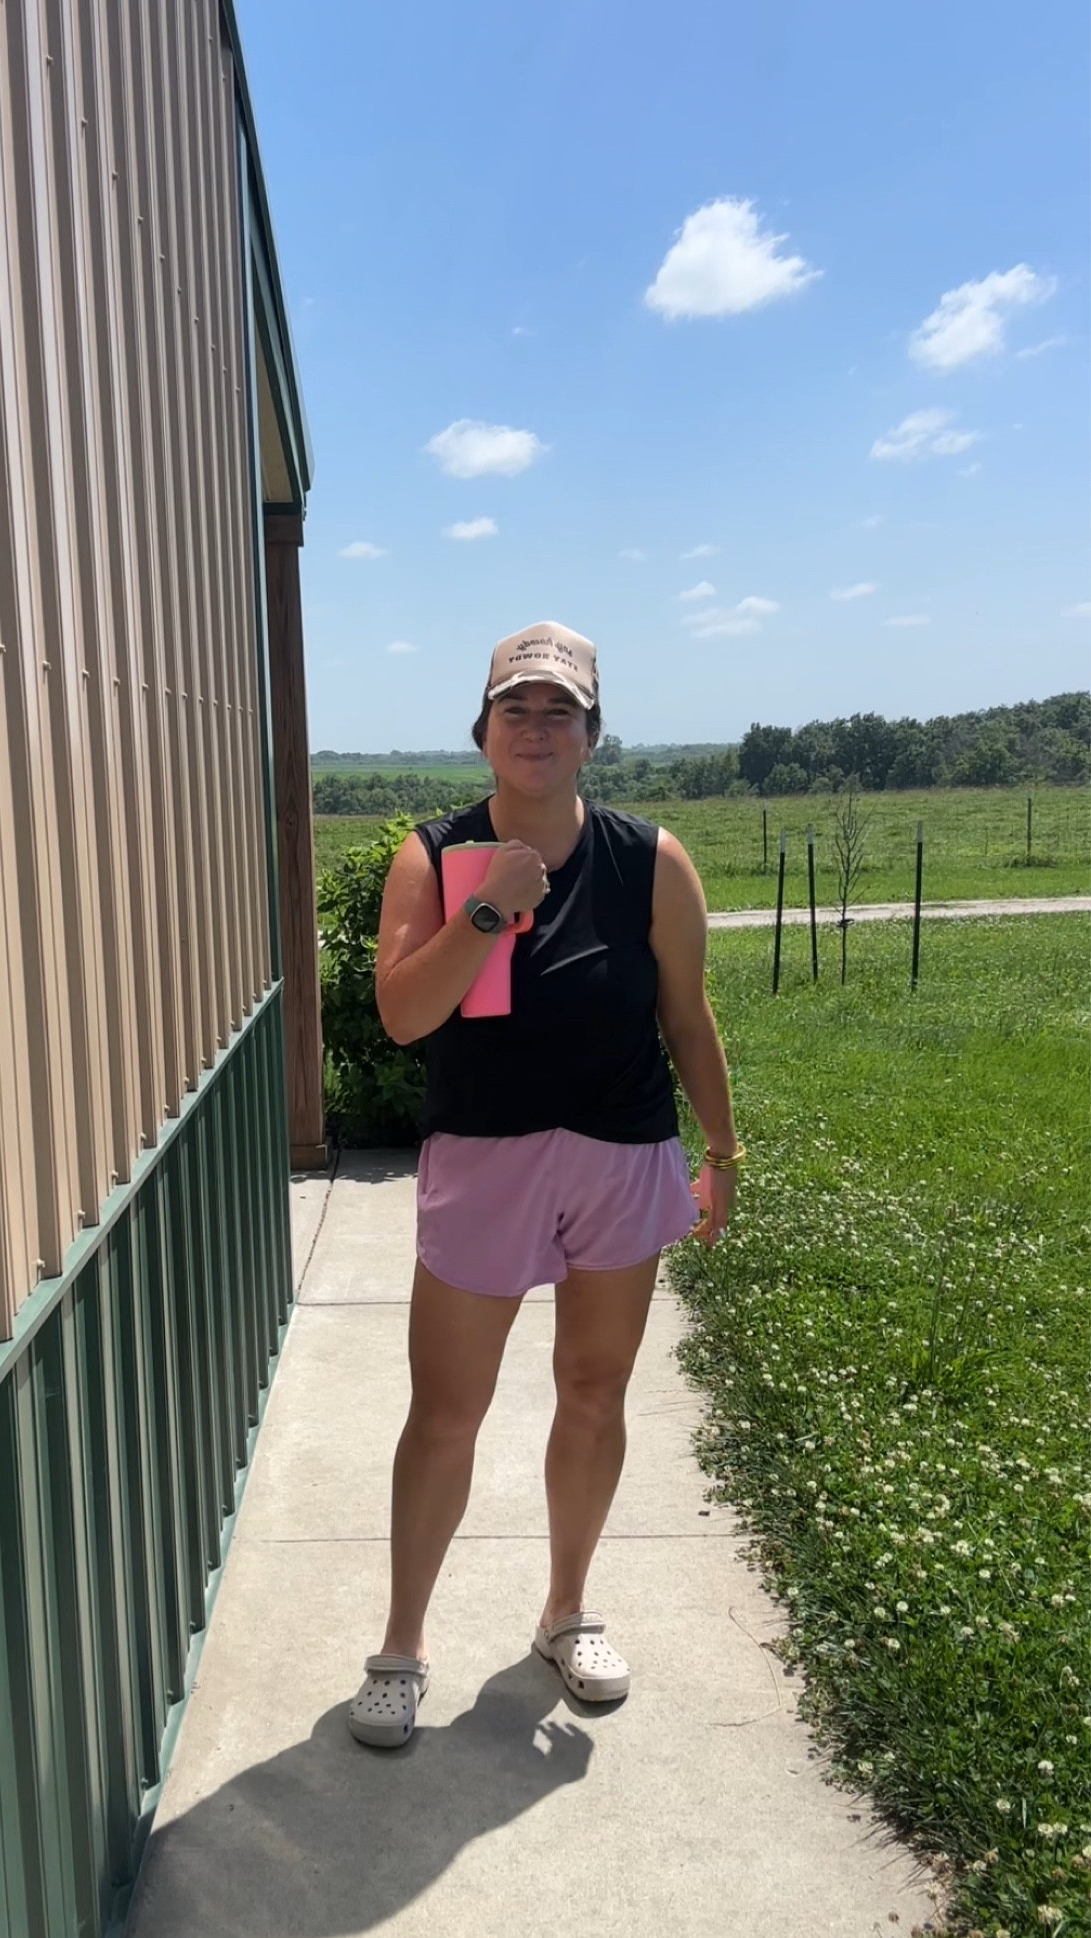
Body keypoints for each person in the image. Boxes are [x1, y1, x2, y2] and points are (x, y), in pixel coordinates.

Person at [347, 621, 742, 1748]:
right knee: (445, 1412)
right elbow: (402, 1014)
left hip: (619, 1156)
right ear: (481, 732)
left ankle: (565, 1614)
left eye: (557, 710)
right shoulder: (433, 855)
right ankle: (401, 1645)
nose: (535, 727)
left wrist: (718, 1151)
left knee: (592, 1391)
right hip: (484, 1157)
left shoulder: (648, 859)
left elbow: (685, 1016)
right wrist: (486, 907)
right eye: (514, 709)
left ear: (590, 735)